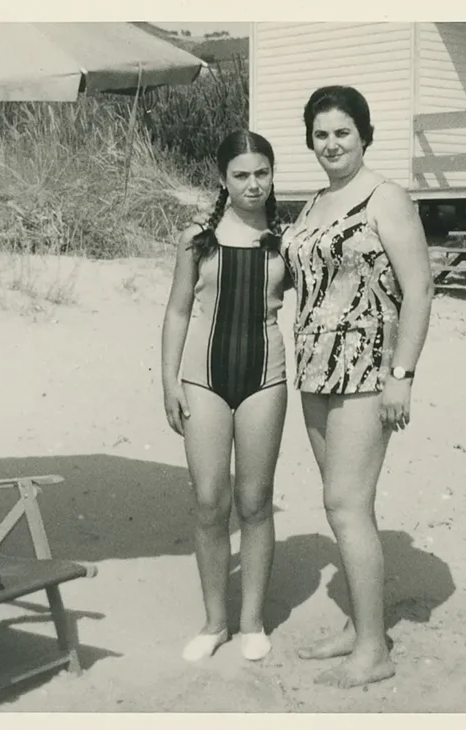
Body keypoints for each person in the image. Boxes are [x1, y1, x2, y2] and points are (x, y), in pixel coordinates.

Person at [280, 85, 435, 688]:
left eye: (342, 132)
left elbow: (419, 290)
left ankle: (374, 651)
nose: (331, 144)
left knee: (344, 506)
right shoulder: (315, 202)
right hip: (315, 371)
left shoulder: (386, 198)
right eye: (320, 134)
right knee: (345, 505)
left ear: (364, 135)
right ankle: (359, 624)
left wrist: (403, 375)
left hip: (369, 372)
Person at [161, 130, 289, 663]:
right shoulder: (197, 237)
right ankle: (215, 623)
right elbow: (177, 311)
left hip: (266, 377)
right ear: (223, 179)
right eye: (241, 174)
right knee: (211, 503)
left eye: (261, 172)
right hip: (203, 378)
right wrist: (167, 380)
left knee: (254, 503)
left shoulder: (287, 239)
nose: (253, 184)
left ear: (271, 175)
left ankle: (252, 622)